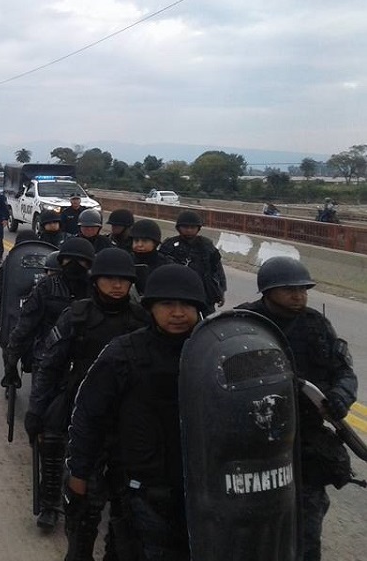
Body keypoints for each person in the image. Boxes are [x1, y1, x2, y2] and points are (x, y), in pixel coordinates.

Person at [66, 265, 208, 560]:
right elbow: (88, 416)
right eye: (168, 304)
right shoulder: (123, 354)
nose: (178, 313)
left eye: (187, 305)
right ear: (151, 308)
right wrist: (79, 472)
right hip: (142, 489)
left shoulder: (214, 353)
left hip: (204, 490)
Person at [236, 257, 357, 561]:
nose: (298, 296)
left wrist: (340, 396)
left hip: (304, 442)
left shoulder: (316, 325)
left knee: (306, 530)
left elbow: (344, 372)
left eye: (303, 289)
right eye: (289, 289)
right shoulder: (244, 323)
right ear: (268, 291)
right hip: (255, 443)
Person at [29, 249, 148, 547]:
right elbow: (50, 364)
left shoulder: (140, 318)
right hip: (77, 395)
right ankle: (50, 503)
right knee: (53, 441)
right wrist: (36, 409)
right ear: (96, 281)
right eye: (110, 279)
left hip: (124, 406)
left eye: (124, 280)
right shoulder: (77, 315)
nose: (117, 285)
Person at [2, 237, 95, 388]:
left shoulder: (97, 289)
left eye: (80, 261)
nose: (74, 265)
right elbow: (25, 326)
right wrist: (11, 361)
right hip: (47, 359)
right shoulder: (46, 287)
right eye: (68, 260)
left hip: (85, 363)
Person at [159, 210, 227, 315]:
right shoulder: (169, 245)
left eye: (193, 227)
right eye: (185, 227)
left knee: (209, 322)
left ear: (198, 228)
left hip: (204, 292)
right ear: (179, 228)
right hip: (178, 293)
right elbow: (160, 271)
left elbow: (217, 269)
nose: (189, 230)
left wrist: (221, 292)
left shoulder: (206, 245)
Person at [129, 219, 173, 295]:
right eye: (136, 240)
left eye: (145, 241)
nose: (139, 245)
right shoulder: (127, 261)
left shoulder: (166, 265)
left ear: (155, 243)